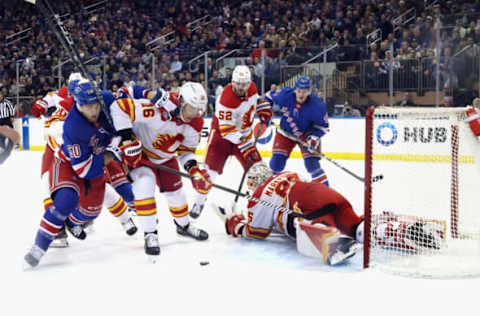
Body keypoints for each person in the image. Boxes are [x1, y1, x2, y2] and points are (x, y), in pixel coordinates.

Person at [219, 162, 443, 265]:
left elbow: (257, 232)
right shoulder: (287, 174)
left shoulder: (260, 193)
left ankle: (333, 239)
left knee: (302, 225)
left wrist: (234, 223)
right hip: (328, 194)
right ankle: (401, 230)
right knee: (357, 227)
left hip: (307, 205)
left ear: (255, 182)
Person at [23, 79, 123, 268]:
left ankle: (74, 220)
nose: (93, 110)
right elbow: (84, 168)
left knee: (94, 201)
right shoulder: (70, 119)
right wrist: (111, 152)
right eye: (87, 105)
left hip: (87, 155)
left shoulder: (102, 101)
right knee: (60, 196)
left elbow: (123, 102)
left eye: (95, 104)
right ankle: (48, 238)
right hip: (64, 158)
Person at [110, 81, 211, 258]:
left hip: (166, 158)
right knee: (144, 186)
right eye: (192, 107)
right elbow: (119, 107)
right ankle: (150, 233)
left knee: (177, 194)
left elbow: (186, 152)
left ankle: (184, 226)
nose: (196, 113)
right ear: (181, 101)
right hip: (141, 156)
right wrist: (126, 139)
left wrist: (194, 170)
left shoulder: (196, 123)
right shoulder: (158, 108)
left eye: (199, 108)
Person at [189, 65, 273, 219]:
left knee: (259, 171)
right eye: (238, 84)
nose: (241, 87)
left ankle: (260, 205)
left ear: (249, 82)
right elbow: (227, 131)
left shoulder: (252, 87)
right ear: (232, 82)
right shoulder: (225, 100)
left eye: (245, 84)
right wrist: (246, 144)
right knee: (209, 173)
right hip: (221, 138)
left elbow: (256, 100)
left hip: (244, 136)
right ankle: (199, 202)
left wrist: (263, 107)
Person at [266, 76, 330, 185]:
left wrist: (314, 137)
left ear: (309, 92)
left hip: (307, 134)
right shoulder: (285, 95)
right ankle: (268, 189)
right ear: (295, 89)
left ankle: (326, 193)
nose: (301, 94)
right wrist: (265, 113)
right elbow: (268, 97)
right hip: (285, 132)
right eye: (299, 91)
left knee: (312, 165)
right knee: (277, 163)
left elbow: (324, 127)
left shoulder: (318, 106)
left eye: (304, 92)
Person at [0, 90, 19, 165]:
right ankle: (2, 144)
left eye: (0, 96)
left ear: (2, 96)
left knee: (10, 131)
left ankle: (16, 143)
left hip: (6, 119)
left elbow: (11, 108)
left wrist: (11, 116)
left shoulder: (7, 102)